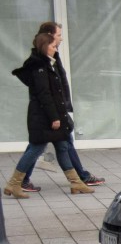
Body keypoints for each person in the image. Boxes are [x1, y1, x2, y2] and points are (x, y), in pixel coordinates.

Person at [18, 22, 103, 192]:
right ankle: (19, 181)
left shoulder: (50, 56)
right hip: (49, 113)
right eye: (58, 36)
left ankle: (79, 179)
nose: (60, 39)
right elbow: (45, 92)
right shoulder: (41, 62)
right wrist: (55, 116)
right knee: (40, 146)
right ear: (48, 37)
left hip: (56, 110)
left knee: (62, 145)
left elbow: (58, 83)